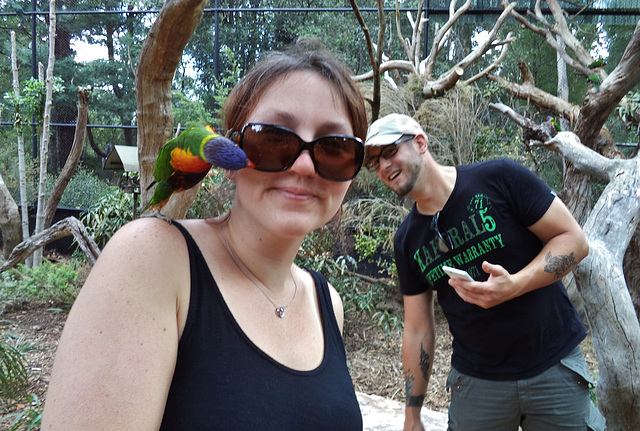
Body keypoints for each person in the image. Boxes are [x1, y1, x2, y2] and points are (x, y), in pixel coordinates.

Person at [41, 38, 367, 430]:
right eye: (272, 139)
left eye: (335, 147)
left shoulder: (327, 302)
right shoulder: (152, 258)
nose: (303, 166)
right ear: (230, 160)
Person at [364, 113, 606, 431]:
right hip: (477, 385)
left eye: (390, 152)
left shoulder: (499, 178)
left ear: (420, 143)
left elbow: (574, 241)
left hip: (553, 366)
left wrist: (515, 284)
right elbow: (417, 330)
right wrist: (412, 416)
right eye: (374, 162)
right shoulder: (407, 240)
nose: (383, 166)